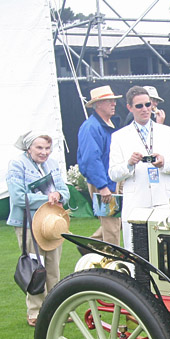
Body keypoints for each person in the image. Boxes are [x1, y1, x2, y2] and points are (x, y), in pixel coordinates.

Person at [109, 86, 170, 251]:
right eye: (139, 106)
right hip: (136, 203)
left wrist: (164, 163)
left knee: (167, 251)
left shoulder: (169, 132)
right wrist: (129, 164)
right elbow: (113, 173)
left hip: (164, 200)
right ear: (130, 108)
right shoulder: (119, 137)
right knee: (136, 252)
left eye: (148, 104)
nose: (145, 109)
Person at [6, 130, 70, 326]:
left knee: (53, 267)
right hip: (28, 224)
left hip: (52, 223)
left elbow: (65, 191)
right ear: (29, 148)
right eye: (39, 147)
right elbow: (18, 197)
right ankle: (35, 312)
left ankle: (55, 308)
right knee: (36, 267)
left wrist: (58, 195)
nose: (44, 152)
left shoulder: (51, 164)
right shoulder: (17, 164)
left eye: (47, 148)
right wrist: (48, 198)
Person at [77, 85, 122, 246]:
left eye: (113, 100)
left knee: (117, 222)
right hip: (103, 181)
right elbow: (91, 160)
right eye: (109, 101)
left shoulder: (106, 124)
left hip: (112, 179)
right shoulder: (91, 128)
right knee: (111, 226)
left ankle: (90, 246)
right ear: (98, 105)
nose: (114, 104)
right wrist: (103, 186)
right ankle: (112, 262)